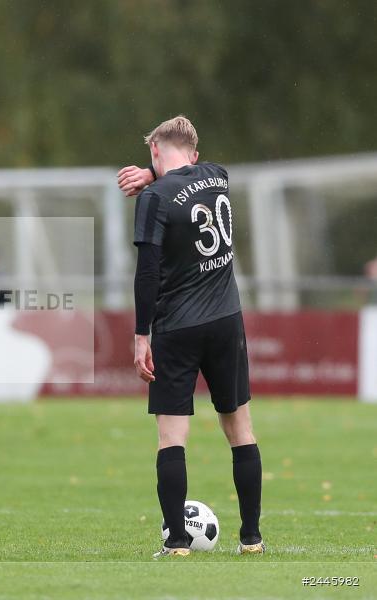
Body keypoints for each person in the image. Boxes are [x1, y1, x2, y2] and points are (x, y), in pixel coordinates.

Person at [127, 115, 264, 557]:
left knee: (172, 437)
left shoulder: (153, 198)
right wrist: (154, 174)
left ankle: (177, 543)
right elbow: (188, 177)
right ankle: (252, 539)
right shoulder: (218, 177)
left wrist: (141, 334)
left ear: (154, 151)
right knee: (240, 428)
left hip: (176, 326)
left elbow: (147, 274)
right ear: (196, 155)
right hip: (227, 321)